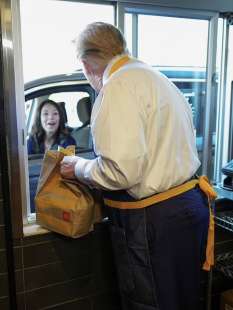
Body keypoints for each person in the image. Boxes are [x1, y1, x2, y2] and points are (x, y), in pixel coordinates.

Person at [60, 22, 215, 310]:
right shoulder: (156, 78)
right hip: (188, 207)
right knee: (183, 300)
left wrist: (79, 167)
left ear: (85, 64)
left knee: (150, 302)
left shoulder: (116, 88)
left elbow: (121, 172)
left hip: (155, 221)